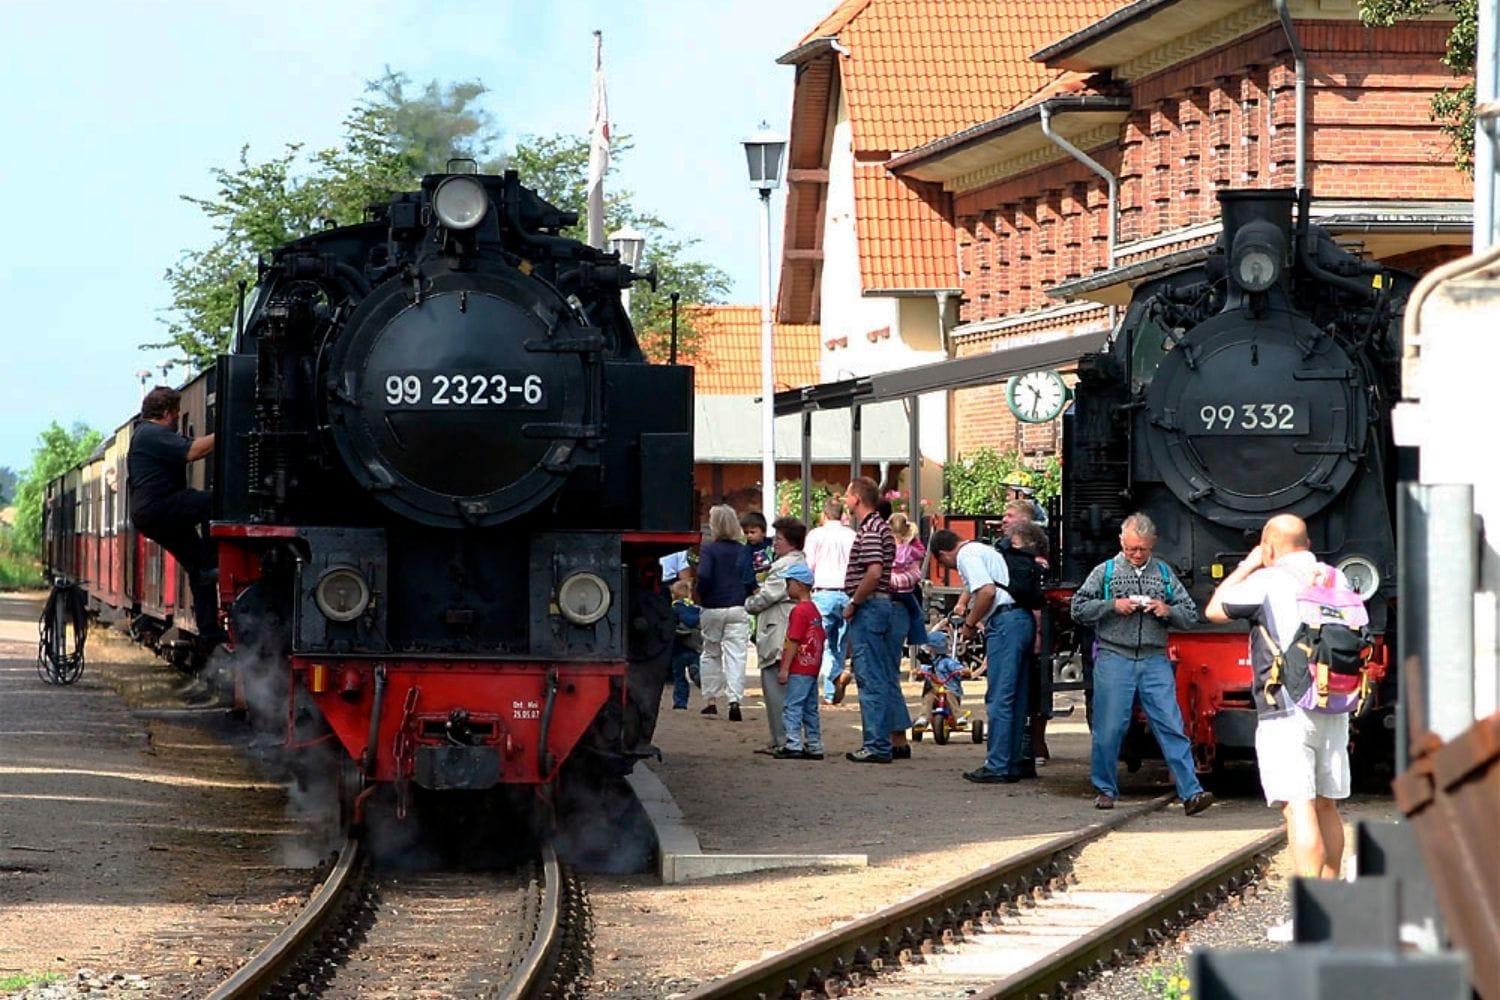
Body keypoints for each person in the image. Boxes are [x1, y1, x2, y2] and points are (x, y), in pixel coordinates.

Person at [1204, 513, 1352, 877]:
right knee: (1327, 805)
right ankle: (1330, 897)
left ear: (1269, 547)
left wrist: (1249, 564)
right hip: (1333, 701)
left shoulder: (1268, 581)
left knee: (1298, 806)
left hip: (1286, 707)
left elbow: (1214, 610)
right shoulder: (1338, 577)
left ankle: (1311, 904)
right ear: (1307, 545)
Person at [1070, 513, 1213, 815]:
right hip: (1114, 656)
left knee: (1171, 726)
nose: (1136, 554)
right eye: (1131, 548)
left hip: (1154, 658)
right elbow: (1078, 608)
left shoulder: (1163, 574)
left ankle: (1192, 793)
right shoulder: (1104, 572)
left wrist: (1167, 610)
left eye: (1143, 549)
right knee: (1110, 728)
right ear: (1121, 541)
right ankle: (1105, 789)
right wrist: (1112, 605)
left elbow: (1190, 615)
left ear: (1153, 544)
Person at [928, 528, 1033, 783]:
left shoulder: (966, 556)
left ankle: (997, 765)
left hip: (1004, 624)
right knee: (1017, 697)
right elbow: (979, 585)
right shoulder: (983, 549)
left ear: (943, 554)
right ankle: (1014, 760)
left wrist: (970, 624)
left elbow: (987, 591)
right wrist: (963, 602)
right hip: (1021, 619)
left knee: (999, 697)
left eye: (943, 563)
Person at [127, 386, 220, 642]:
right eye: (177, 413)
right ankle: (213, 563)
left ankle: (209, 632)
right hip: (159, 507)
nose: (178, 419)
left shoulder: (144, 434)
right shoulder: (152, 433)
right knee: (212, 503)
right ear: (167, 412)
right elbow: (194, 451)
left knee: (197, 566)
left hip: (152, 512)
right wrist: (224, 432)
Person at [837, 476, 913, 763]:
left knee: (870, 677)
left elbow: (873, 571)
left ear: (857, 498)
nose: (845, 500)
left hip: (869, 606)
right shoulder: (881, 527)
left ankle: (876, 744)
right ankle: (884, 741)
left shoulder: (869, 530)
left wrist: (854, 602)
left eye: (847, 494)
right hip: (880, 605)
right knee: (880, 675)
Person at [745, 517, 809, 753]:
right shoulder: (800, 561)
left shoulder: (783, 567)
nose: (774, 544)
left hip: (778, 628)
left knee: (776, 689)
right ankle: (785, 737)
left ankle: (783, 739)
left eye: (779, 539)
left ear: (791, 542)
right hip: (788, 627)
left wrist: (749, 602)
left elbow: (766, 597)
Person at [695, 504, 756, 721]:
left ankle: (711, 701)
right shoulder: (743, 550)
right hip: (738, 607)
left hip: (712, 606)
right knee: (736, 655)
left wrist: (700, 593)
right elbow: (751, 579)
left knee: (710, 652)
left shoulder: (709, 549)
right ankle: (734, 701)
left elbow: (704, 575)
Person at [804, 496, 856, 704]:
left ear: (824, 515)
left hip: (823, 592)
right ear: (842, 514)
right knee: (840, 644)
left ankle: (834, 676)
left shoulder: (816, 535)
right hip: (847, 593)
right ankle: (830, 692)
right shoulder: (851, 535)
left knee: (821, 642)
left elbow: (809, 565)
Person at [772, 562, 826, 760]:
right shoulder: (814, 610)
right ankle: (814, 744)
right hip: (811, 667)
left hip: (799, 667)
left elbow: (794, 640)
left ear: (799, 585)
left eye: (789, 583)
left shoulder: (799, 611)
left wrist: (784, 668)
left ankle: (793, 743)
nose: (787, 588)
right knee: (810, 708)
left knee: (792, 706)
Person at [888, 512, 930, 656]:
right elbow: (921, 554)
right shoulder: (909, 546)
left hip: (890, 586)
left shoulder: (888, 545)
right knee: (916, 613)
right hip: (906, 588)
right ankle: (918, 638)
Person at [668, 579, 703, 710]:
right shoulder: (696, 610)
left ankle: (680, 702)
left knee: (679, 678)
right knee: (696, 664)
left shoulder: (672, 610)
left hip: (678, 649)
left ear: (673, 595)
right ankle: (696, 671)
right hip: (694, 647)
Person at [741, 510, 774, 581]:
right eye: (746, 532)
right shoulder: (746, 551)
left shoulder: (772, 545)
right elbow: (746, 573)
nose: (749, 535)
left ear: (763, 532)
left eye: (752, 532)